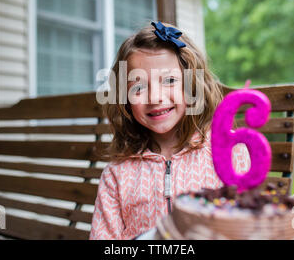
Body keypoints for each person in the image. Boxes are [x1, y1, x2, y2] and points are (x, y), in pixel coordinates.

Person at [89, 21, 250, 239]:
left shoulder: (228, 152)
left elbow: (248, 227)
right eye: (138, 87)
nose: (155, 97)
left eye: (170, 80)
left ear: (192, 84)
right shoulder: (117, 174)